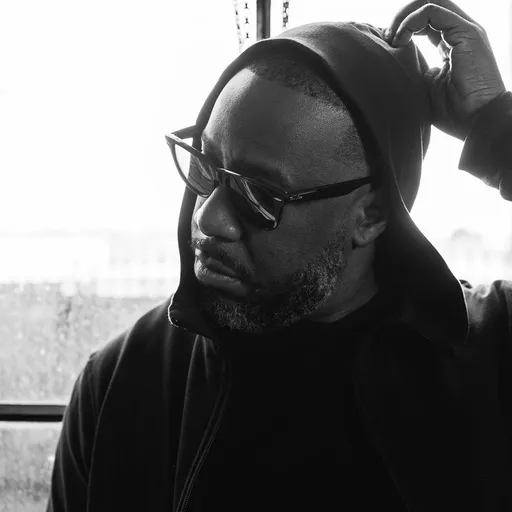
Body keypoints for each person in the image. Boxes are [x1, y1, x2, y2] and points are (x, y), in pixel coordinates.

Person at [47, 1, 512, 511]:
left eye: (258, 195)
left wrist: (498, 130)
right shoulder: (122, 382)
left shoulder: (492, 356)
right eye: (204, 167)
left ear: (371, 214)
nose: (208, 219)